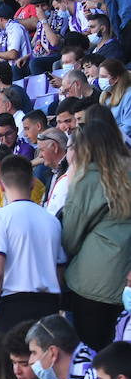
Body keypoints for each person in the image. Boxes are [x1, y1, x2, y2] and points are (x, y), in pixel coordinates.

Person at [61, 122, 131, 349]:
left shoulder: (89, 178)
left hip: (93, 283)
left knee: (94, 356)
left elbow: (70, 236)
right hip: (123, 281)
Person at [0, 155, 65, 331]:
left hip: (14, 305)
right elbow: (59, 269)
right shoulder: (51, 220)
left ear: (2, 186)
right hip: (48, 304)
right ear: (33, 183)